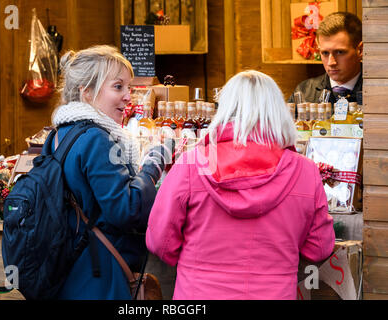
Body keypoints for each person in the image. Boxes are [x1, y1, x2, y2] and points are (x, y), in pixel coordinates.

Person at [146, 70, 335, 300]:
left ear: (224, 109)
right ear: (279, 111)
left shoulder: (190, 163)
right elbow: (319, 248)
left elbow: (161, 243)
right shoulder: (305, 171)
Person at [50, 45, 172, 299]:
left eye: (128, 88)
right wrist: (152, 165)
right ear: (87, 92)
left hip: (73, 269)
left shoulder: (60, 134)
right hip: (100, 274)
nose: (128, 96)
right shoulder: (96, 138)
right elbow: (125, 209)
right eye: (118, 87)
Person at [288, 12, 363, 105]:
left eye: (340, 52)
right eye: (325, 53)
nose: (331, 62)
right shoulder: (304, 91)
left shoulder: (381, 92)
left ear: (360, 50)